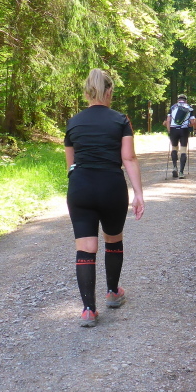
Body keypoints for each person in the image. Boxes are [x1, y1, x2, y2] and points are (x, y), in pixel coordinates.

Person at [64, 68, 145, 327]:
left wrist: (79, 186)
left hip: (80, 187)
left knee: (85, 247)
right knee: (113, 239)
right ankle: (112, 292)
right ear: (109, 91)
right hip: (111, 186)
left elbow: (70, 163)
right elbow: (128, 158)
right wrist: (138, 193)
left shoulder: (73, 122)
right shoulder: (120, 120)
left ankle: (88, 310)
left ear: (87, 92)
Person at [165, 93, 196, 178]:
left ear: (178, 100)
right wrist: (189, 125)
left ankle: (174, 167)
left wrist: (169, 130)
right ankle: (181, 172)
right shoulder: (189, 108)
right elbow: (193, 122)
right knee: (183, 150)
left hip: (173, 129)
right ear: (186, 100)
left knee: (174, 148)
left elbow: (168, 120)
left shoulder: (173, 107)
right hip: (184, 130)